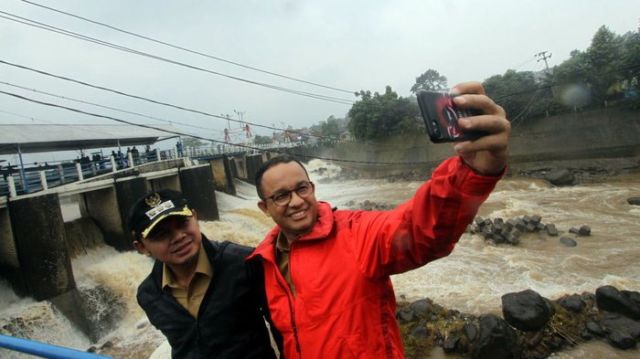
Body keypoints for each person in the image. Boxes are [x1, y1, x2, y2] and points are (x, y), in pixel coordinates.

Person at [248, 82, 510, 358]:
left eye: (302, 188)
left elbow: (421, 228)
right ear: (264, 207)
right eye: (281, 196)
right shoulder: (262, 265)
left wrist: (471, 171)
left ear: (312, 188)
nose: (297, 201)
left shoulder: (356, 234)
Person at [128, 189, 279, 358]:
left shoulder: (244, 263)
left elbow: (282, 325)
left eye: (182, 223)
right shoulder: (149, 294)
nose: (178, 237)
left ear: (194, 217)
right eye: (161, 234)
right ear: (141, 247)